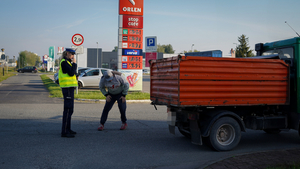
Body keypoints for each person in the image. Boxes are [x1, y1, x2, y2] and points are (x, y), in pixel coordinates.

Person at [58, 48, 78, 138]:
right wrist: (74, 64)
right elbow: (70, 73)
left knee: (71, 110)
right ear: (67, 53)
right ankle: (64, 131)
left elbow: (72, 73)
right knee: (68, 109)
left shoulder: (68, 62)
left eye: (74, 54)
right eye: (72, 54)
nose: (73, 56)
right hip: (67, 88)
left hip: (70, 88)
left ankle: (68, 129)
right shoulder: (64, 62)